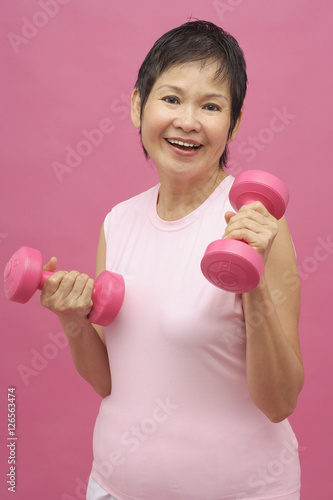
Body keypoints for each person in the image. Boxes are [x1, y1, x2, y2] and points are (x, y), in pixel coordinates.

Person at [41, 20, 304, 500]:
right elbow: (110, 383)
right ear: (138, 106)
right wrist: (73, 319)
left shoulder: (254, 224)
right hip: (114, 488)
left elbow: (280, 401)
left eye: (211, 106)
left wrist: (254, 282)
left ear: (235, 123)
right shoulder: (117, 222)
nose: (188, 121)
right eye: (171, 98)